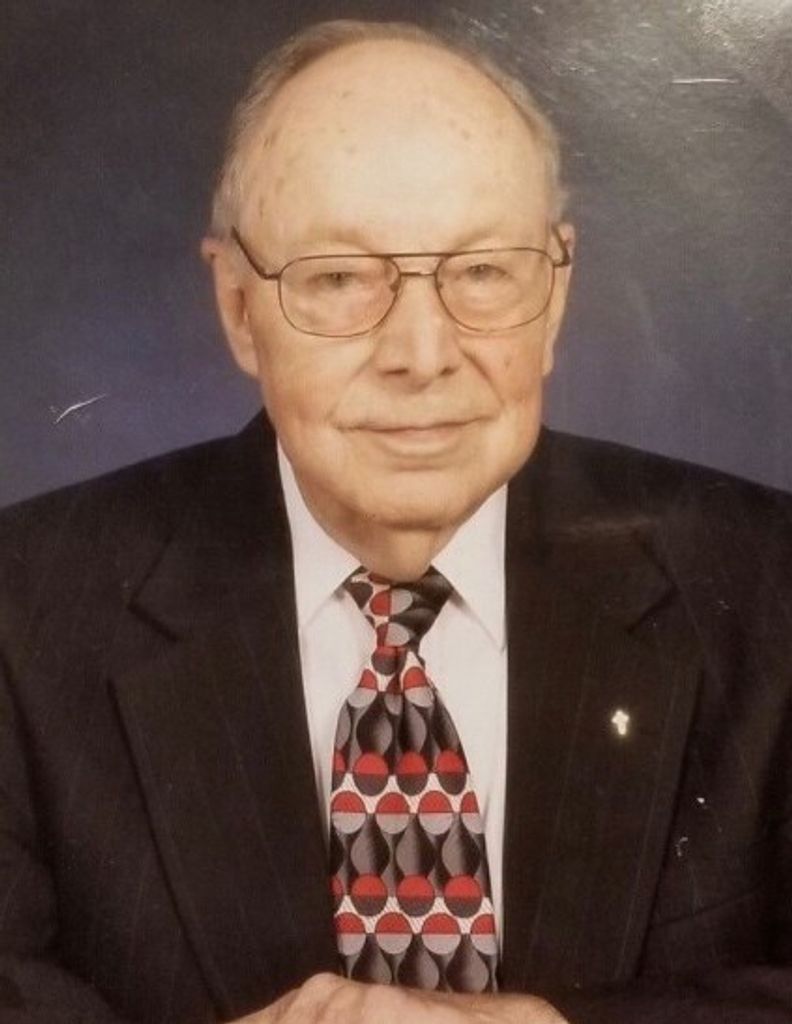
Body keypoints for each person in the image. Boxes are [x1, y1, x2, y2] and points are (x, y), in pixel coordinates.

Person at [1, 17, 792, 1024]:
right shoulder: (22, 614)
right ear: (239, 308)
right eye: (339, 279)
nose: (423, 353)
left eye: (484, 272)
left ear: (555, 294)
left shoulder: (769, 588)